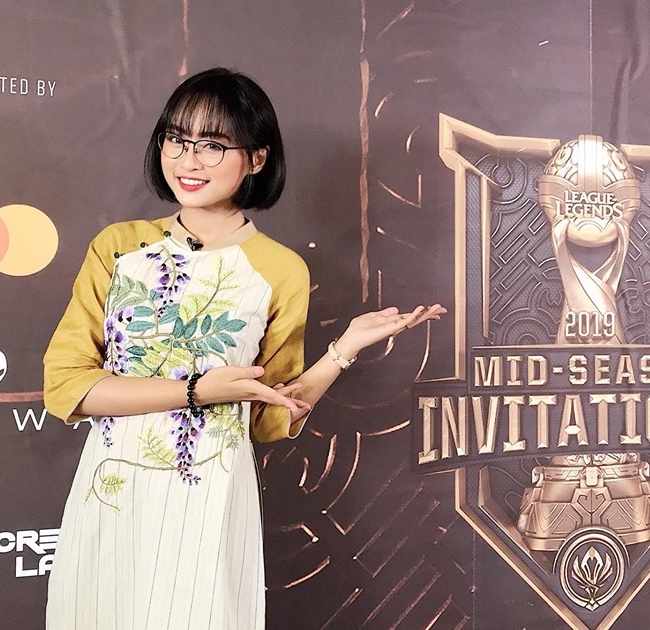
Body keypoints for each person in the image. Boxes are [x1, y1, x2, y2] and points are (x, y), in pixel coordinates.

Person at [42, 67, 444, 630]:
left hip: (209, 500)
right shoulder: (119, 247)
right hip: (111, 494)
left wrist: (345, 348)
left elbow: (269, 415)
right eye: (177, 139)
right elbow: (67, 386)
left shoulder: (281, 269)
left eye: (213, 145)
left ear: (256, 158)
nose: (188, 161)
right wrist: (197, 390)